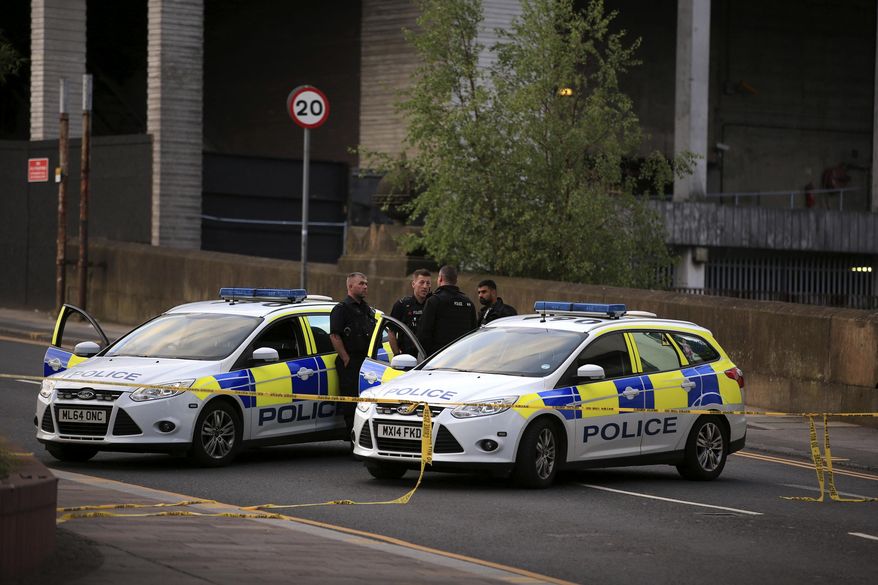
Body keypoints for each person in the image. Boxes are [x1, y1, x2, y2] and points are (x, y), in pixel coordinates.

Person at [329, 272, 376, 436]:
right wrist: (345, 358)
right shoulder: (341, 309)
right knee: (351, 402)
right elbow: (335, 336)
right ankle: (353, 438)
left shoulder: (367, 309)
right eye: (361, 284)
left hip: (366, 362)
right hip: (351, 361)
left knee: (367, 401)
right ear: (350, 286)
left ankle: (366, 437)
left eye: (366, 284)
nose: (365, 286)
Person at [417, 265, 477, 355]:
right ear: (456, 280)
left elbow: (423, 334)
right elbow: (474, 332)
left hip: (438, 358)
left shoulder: (434, 301)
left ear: (440, 279)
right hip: (462, 356)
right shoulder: (468, 303)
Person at [388, 268, 431, 357]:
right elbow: (391, 332)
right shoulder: (402, 305)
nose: (425, 286)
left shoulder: (433, 305)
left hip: (429, 357)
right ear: (413, 284)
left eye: (428, 283)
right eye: (421, 282)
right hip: (408, 357)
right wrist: (397, 355)